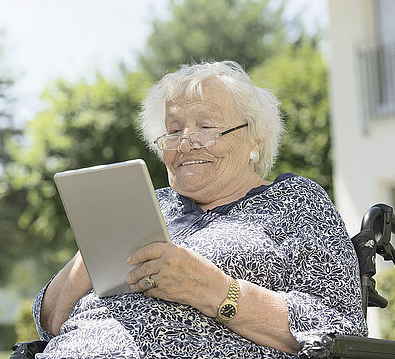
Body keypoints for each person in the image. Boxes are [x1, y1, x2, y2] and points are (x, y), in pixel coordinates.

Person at [32, 61, 367, 358]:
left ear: (256, 138)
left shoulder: (295, 202)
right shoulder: (149, 203)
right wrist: (89, 254)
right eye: (174, 130)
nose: (186, 142)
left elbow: (339, 328)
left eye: (206, 127)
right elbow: (47, 324)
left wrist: (214, 290)